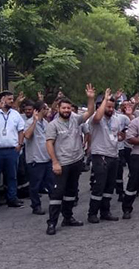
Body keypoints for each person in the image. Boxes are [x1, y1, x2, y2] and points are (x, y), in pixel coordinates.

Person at [44, 84, 96, 235]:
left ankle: (68, 217)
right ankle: (52, 223)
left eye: (69, 108)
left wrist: (90, 98)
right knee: (57, 194)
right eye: (64, 108)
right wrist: (55, 162)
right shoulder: (53, 125)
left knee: (71, 192)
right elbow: (49, 144)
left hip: (76, 161)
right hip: (61, 164)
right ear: (58, 109)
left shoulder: (75, 120)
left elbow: (90, 112)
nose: (66, 110)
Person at [86, 89, 125, 224]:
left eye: (112, 107)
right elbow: (97, 118)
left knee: (109, 186)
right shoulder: (96, 118)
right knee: (99, 186)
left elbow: (118, 135)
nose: (110, 109)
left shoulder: (115, 120)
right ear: (101, 106)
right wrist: (104, 100)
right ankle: (92, 213)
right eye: (108, 106)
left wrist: (121, 136)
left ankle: (105, 211)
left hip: (113, 155)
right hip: (100, 156)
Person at [0, 91, 26, 209]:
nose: (12, 101)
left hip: (11, 150)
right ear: (2, 99)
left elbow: (21, 130)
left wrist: (19, 144)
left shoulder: (15, 114)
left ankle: (12, 199)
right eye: (9, 99)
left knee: (12, 176)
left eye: (12, 99)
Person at [23, 100, 53, 215]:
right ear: (39, 110)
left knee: (51, 184)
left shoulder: (46, 123)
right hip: (35, 159)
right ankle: (36, 206)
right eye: (45, 108)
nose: (47, 110)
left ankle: (54, 204)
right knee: (35, 185)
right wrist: (34, 122)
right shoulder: (29, 122)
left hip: (46, 158)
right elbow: (27, 135)